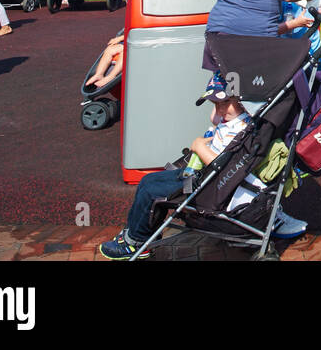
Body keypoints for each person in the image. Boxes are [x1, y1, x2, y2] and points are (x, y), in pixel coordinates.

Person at [98, 80, 305, 259]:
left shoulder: (242, 128)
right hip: (208, 180)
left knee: (150, 189)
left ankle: (135, 241)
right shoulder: (233, 120)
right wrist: (220, 103)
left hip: (217, 188)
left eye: (226, 102)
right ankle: (141, 232)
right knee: (150, 182)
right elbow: (217, 117)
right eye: (216, 104)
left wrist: (198, 145)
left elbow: (225, 168)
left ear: (242, 102)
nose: (221, 110)